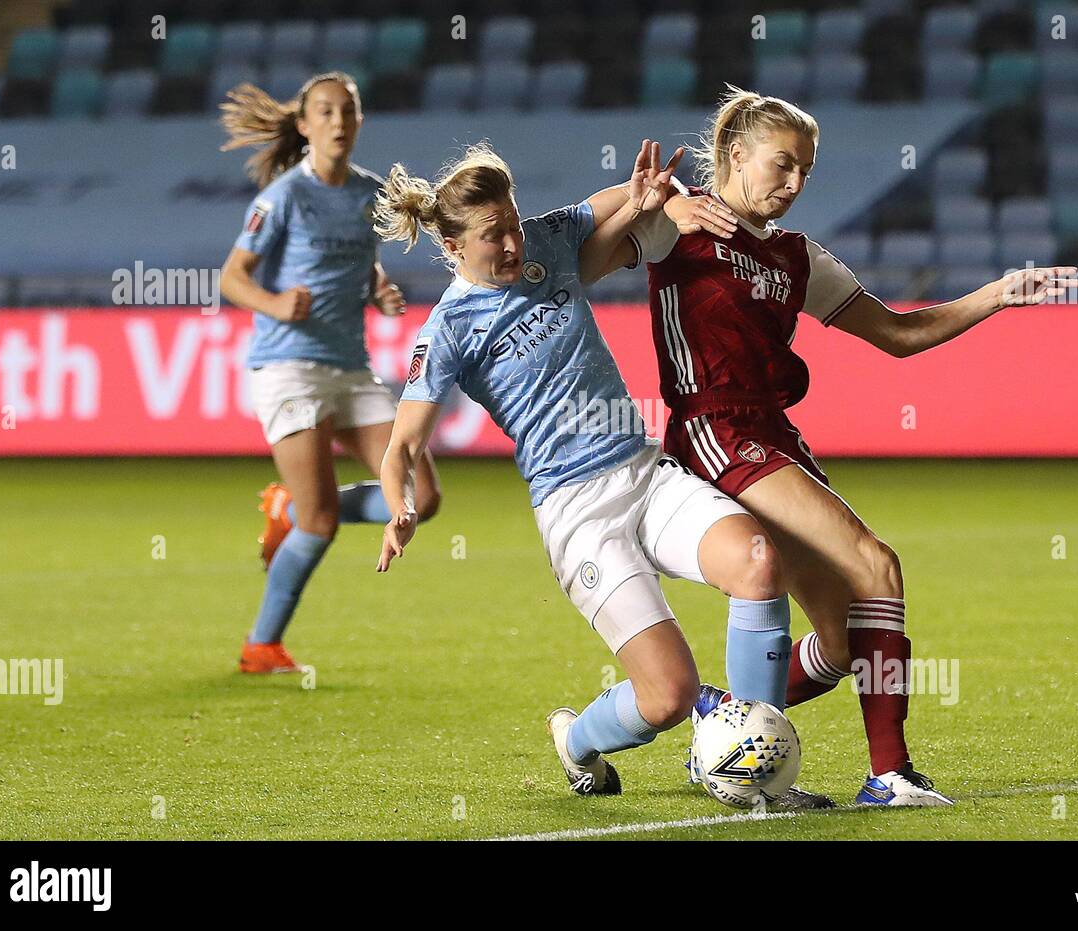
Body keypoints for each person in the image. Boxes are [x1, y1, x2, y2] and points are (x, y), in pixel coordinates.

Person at [614, 87, 1078, 806]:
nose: (795, 183)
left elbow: (898, 335)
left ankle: (722, 728)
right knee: (876, 563)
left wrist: (996, 294)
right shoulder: (681, 224)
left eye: (806, 170)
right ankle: (889, 773)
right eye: (782, 164)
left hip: (774, 435)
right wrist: (665, 199)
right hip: (715, 429)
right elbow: (602, 228)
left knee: (838, 643)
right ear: (736, 155)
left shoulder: (800, 258)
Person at [372, 139, 824, 806]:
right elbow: (401, 445)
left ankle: (743, 761)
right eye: (492, 235)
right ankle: (577, 741)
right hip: (577, 514)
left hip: (644, 475)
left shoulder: (543, 243)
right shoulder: (446, 332)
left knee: (758, 562)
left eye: (513, 222)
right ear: (452, 248)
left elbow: (619, 202)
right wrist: (399, 507)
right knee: (667, 694)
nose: (511, 242)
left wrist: (646, 197)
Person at [218, 71, 442, 674]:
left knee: (421, 496)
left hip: (351, 367)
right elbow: (231, 276)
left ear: (359, 121)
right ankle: (261, 646)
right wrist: (273, 303)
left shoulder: (369, 194)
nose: (338, 121)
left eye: (348, 111)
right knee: (321, 524)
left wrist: (379, 290)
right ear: (305, 124)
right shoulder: (284, 196)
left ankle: (284, 512)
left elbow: (359, 260)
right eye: (326, 111)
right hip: (289, 367)